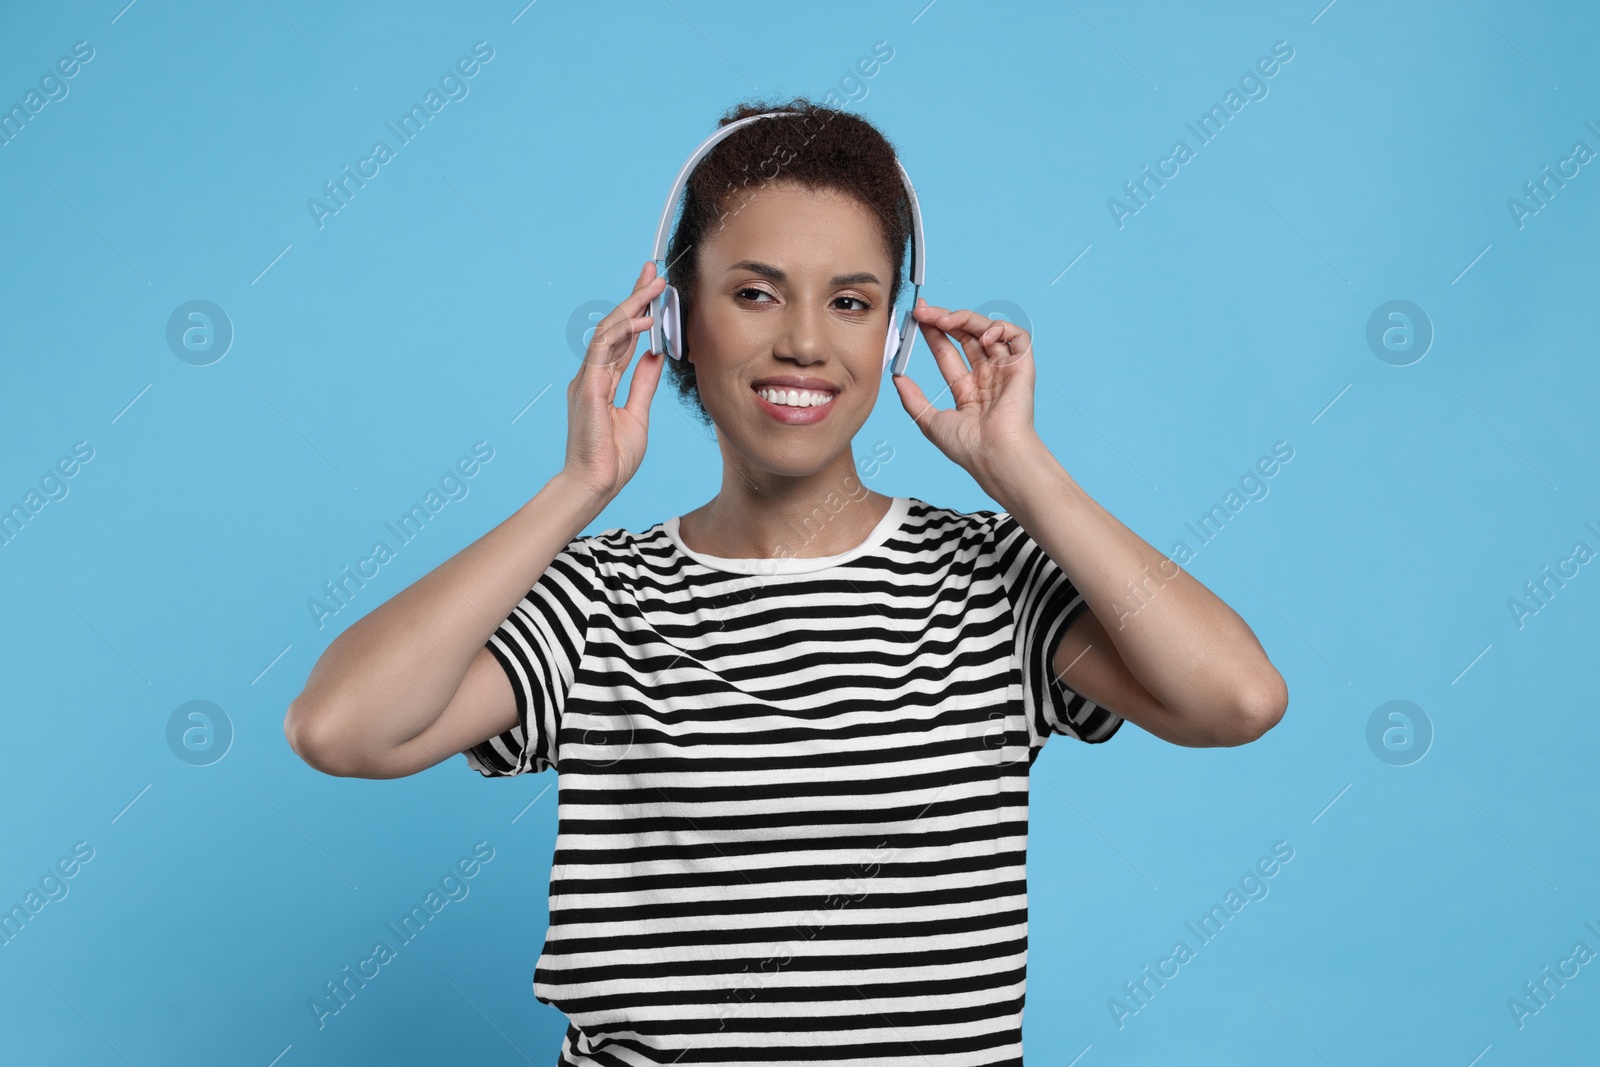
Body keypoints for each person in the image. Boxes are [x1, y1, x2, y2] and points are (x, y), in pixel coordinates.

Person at [284, 98, 1288, 1065]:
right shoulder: (596, 600)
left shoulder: (992, 579)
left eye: (851, 301)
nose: (805, 340)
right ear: (673, 320)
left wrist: (1018, 471)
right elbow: (342, 728)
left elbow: (1235, 699)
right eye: (755, 291)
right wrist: (576, 488)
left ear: (895, 330)